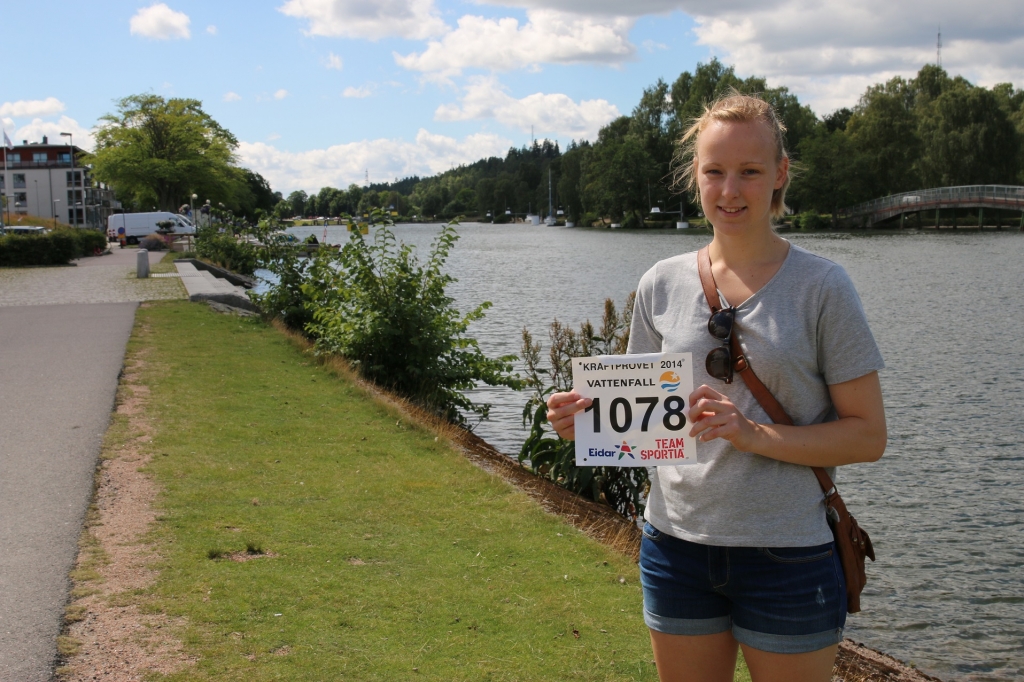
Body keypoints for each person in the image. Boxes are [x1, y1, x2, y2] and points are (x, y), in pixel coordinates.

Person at [545, 92, 887, 682]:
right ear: (695, 178)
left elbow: (867, 437)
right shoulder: (660, 283)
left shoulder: (824, 287)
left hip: (788, 555)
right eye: (714, 172)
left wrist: (753, 434)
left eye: (749, 171)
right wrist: (585, 422)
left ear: (779, 174)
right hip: (675, 547)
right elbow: (642, 424)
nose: (730, 190)